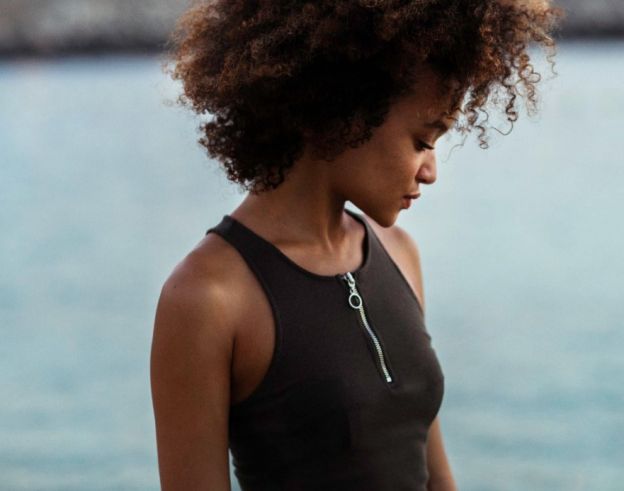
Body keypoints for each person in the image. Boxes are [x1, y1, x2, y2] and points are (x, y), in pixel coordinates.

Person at [150, 1, 562, 489]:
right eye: (421, 140)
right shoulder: (209, 298)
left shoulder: (400, 253)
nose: (430, 171)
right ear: (344, 106)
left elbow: (435, 476)